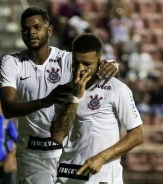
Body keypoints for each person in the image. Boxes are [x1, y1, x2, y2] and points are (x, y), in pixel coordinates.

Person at [0, 7, 118, 184]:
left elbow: (94, 63)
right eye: (26, 29)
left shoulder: (66, 59)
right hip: (33, 155)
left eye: (37, 27)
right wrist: (47, 101)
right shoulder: (12, 62)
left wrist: (113, 64)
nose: (31, 32)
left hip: (67, 153)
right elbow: (8, 109)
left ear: (49, 30)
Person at [54, 33, 143, 184]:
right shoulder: (64, 90)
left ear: (99, 62)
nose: (81, 69)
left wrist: (102, 157)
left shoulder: (117, 89)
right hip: (67, 175)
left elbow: (137, 135)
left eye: (87, 64)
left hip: (103, 177)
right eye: (76, 62)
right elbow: (57, 136)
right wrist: (75, 98)